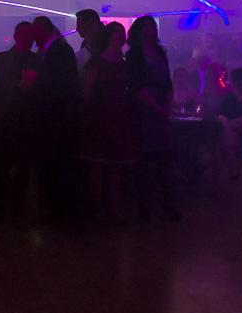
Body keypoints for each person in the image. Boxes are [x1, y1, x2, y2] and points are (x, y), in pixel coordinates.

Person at [0, 21, 41, 220]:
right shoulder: (31, 61)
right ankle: (5, 207)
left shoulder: (3, 59)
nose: (28, 40)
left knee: (18, 168)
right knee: (3, 167)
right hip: (7, 122)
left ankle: (10, 208)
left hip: (22, 122)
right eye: (25, 35)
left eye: (29, 36)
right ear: (16, 37)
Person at [80, 22, 137, 224]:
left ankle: (112, 209)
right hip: (101, 118)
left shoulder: (123, 64)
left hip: (118, 117)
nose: (121, 37)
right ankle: (98, 209)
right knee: (100, 167)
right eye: (117, 33)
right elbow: (87, 91)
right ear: (109, 37)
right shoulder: (97, 64)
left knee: (114, 167)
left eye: (122, 33)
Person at [126, 15, 178, 223]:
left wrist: (168, 103)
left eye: (152, 27)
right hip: (144, 109)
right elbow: (136, 86)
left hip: (158, 105)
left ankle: (166, 204)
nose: (151, 30)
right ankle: (145, 207)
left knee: (163, 158)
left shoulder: (159, 52)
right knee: (146, 158)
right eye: (147, 27)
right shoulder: (134, 55)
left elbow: (167, 81)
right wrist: (158, 106)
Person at [32, 15, 83, 223]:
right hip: (58, 117)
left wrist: (34, 84)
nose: (33, 36)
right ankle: (59, 212)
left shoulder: (57, 51)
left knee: (57, 165)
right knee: (57, 165)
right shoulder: (58, 49)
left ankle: (60, 213)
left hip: (56, 118)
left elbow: (59, 85)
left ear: (42, 31)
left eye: (35, 32)